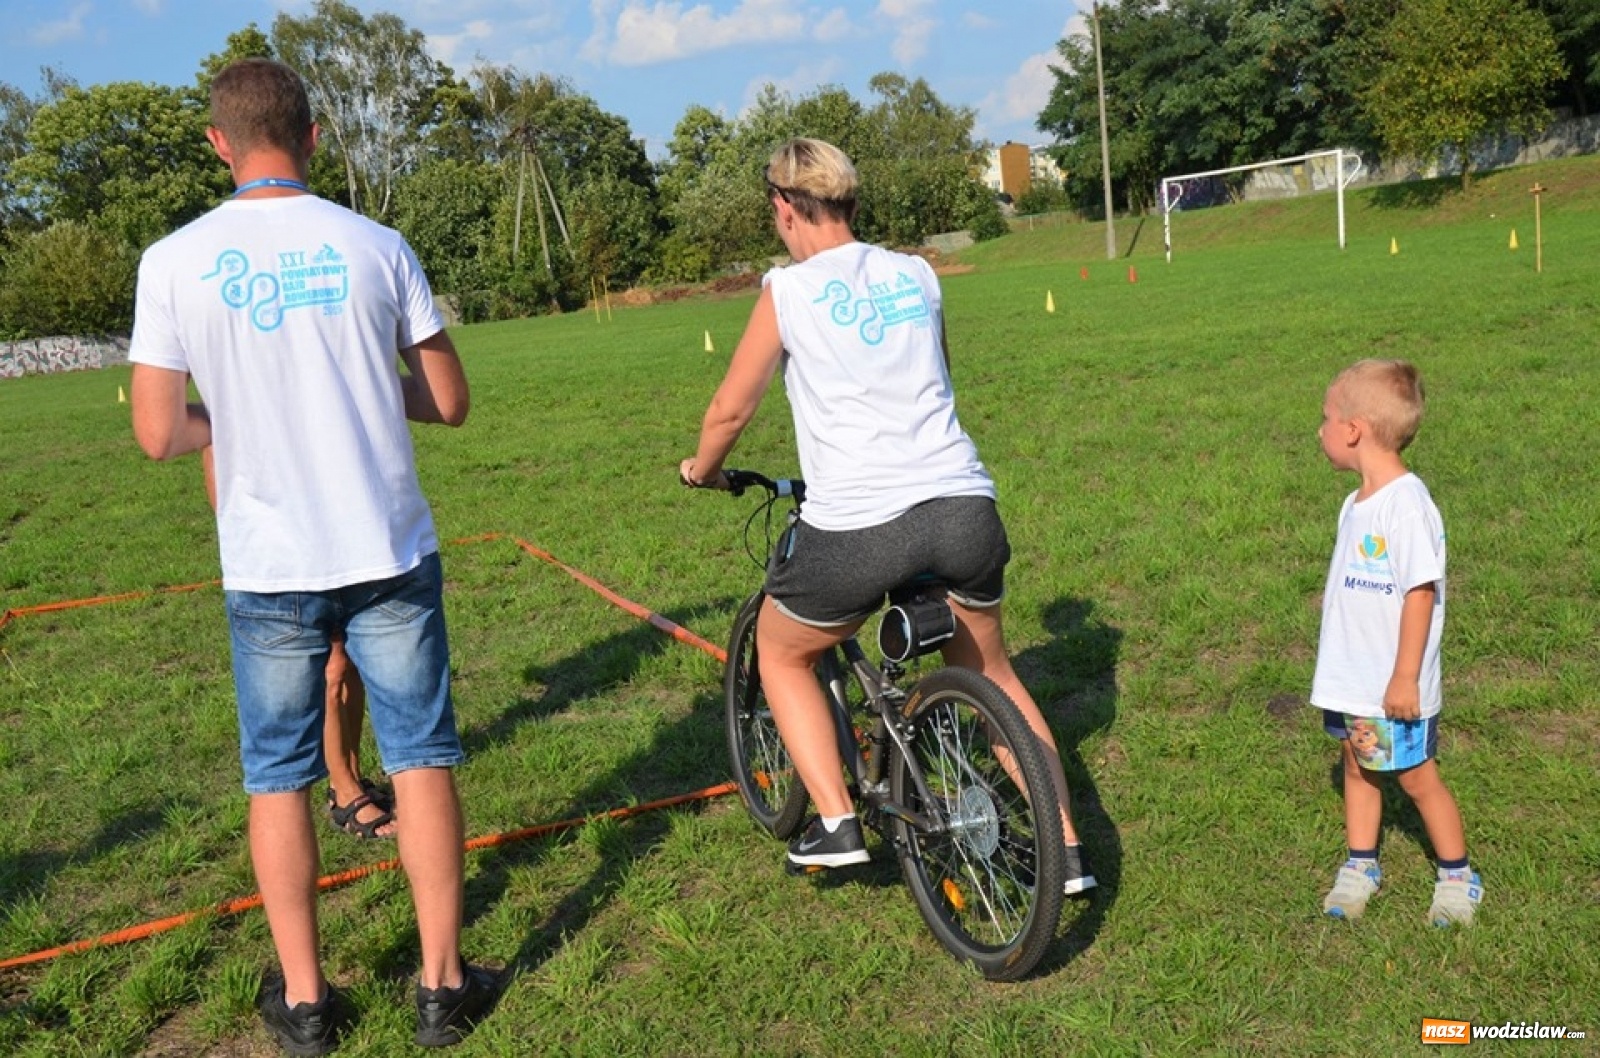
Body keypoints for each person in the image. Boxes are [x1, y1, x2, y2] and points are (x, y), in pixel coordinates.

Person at [129, 58, 494, 1053]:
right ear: (314, 135)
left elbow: (159, 432)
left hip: (269, 561)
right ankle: (440, 983)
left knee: (277, 776)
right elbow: (450, 398)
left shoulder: (174, 259)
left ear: (218, 144)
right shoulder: (376, 244)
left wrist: (238, 417)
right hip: (384, 546)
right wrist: (369, 393)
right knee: (420, 757)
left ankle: (304, 1000)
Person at [679, 137, 1095, 895]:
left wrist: (701, 471)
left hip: (861, 525)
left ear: (783, 208)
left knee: (782, 653)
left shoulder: (788, 290)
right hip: (963, 503)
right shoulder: (917, 273)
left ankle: (836, 821)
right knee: (993, 672)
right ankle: (1066, 852)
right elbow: (940, 376)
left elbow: (731, 407)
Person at [1312, 359, 1481, 926]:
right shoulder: (1357, 500)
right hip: (1353, 678)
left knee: (1416, 776)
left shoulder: (1405, 505)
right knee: (1358, 766)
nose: (1320, 430)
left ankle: (1458, 875)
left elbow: (1420, 593)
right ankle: (1363, 864)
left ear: (1354, 430)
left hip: (1393, 686)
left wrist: (1405, 675)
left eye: (1326, 419)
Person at [205, 446, 396, 841]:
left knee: (350, 660)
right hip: (287, 551)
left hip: (344, 533)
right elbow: (215, 460)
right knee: (332, 667)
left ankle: (352, 775)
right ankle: (342, 790)